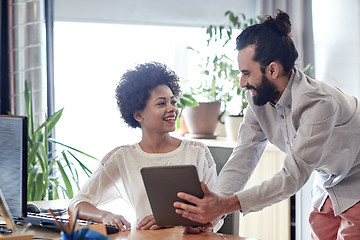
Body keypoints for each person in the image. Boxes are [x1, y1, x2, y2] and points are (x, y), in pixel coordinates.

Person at [174, 10, 360, 239]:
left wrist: (224, 205)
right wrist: (212, 215)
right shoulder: (258, 100)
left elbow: (292, 177)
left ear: (272, 70)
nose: (242, 82)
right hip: (327, 185)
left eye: (246, 73)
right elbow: (243, 156)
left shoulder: (319, 104)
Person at [69, 62, 221, 233]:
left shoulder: (197, 152)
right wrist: (105, 216)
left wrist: (187, 224)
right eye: (161, 104)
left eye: (173, 102)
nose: (172, 108)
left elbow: (216, 210)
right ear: (138, 114)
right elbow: (77, 203)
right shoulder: (122, 157)